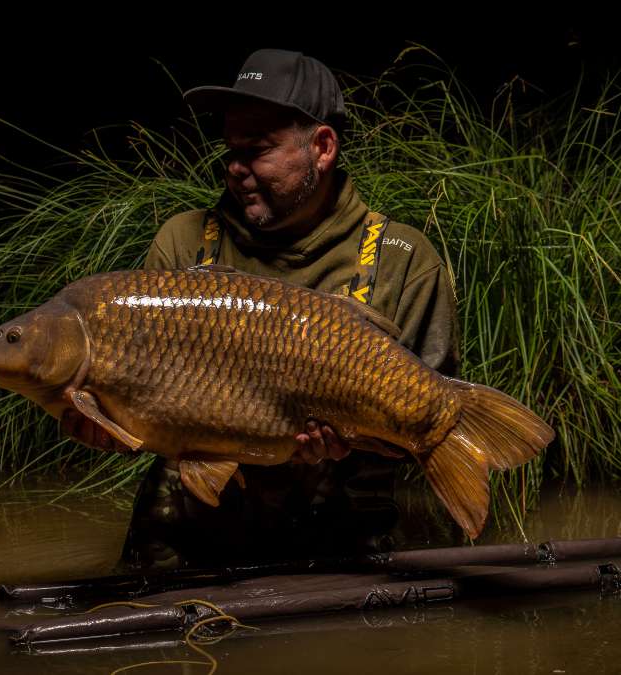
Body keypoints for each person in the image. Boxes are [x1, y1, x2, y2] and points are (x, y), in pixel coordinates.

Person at [62, 48, 460, 570]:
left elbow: (423, 432)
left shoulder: (402, 260)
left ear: (321, 147)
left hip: (340, 535)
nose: (235, 169)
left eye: (259, 150)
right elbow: (146, 405)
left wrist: (355, 438)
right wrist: (106, 428)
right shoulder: (184, 242)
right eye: (230, 150)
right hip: (190, 531)